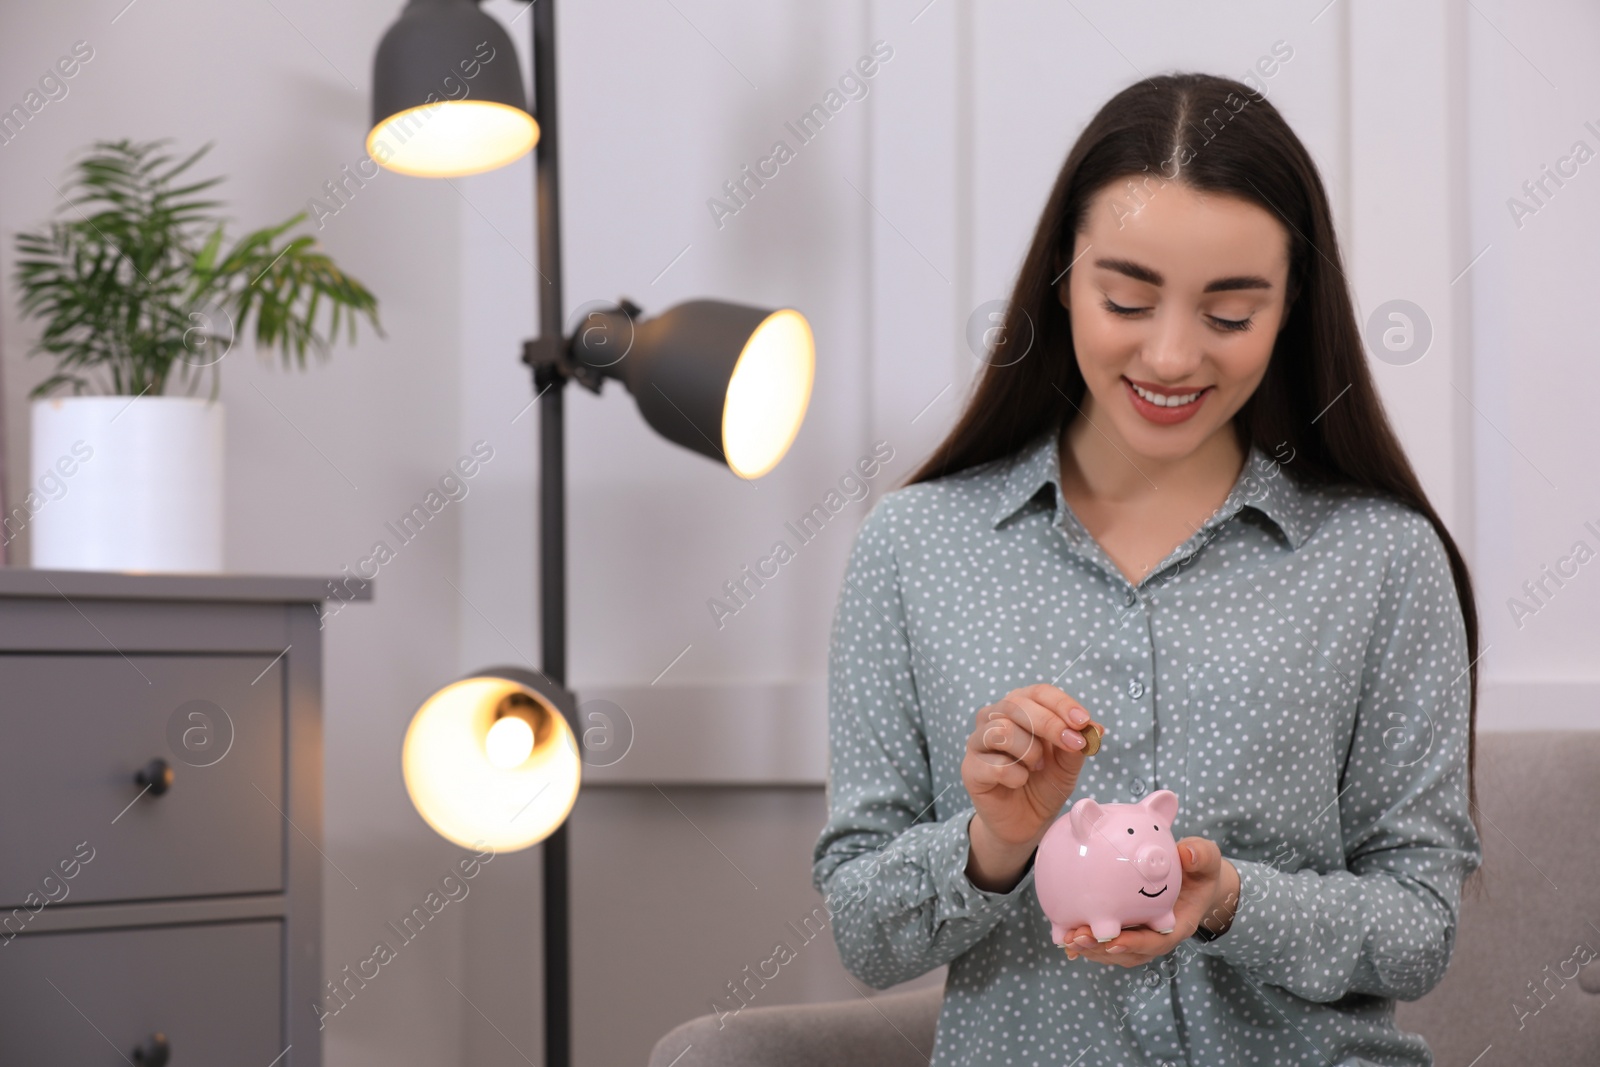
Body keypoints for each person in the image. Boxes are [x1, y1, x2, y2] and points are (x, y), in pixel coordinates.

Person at [811, 72, 1483, 1066]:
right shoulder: (916, 547)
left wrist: (1227, 900)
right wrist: (992, 844)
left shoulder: (1380, 559)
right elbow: (864, 933)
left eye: (1228, 313)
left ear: (1293, 309)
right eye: (1125, 298)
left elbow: (1420, 928)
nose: (1170, 356)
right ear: (1061, 281)